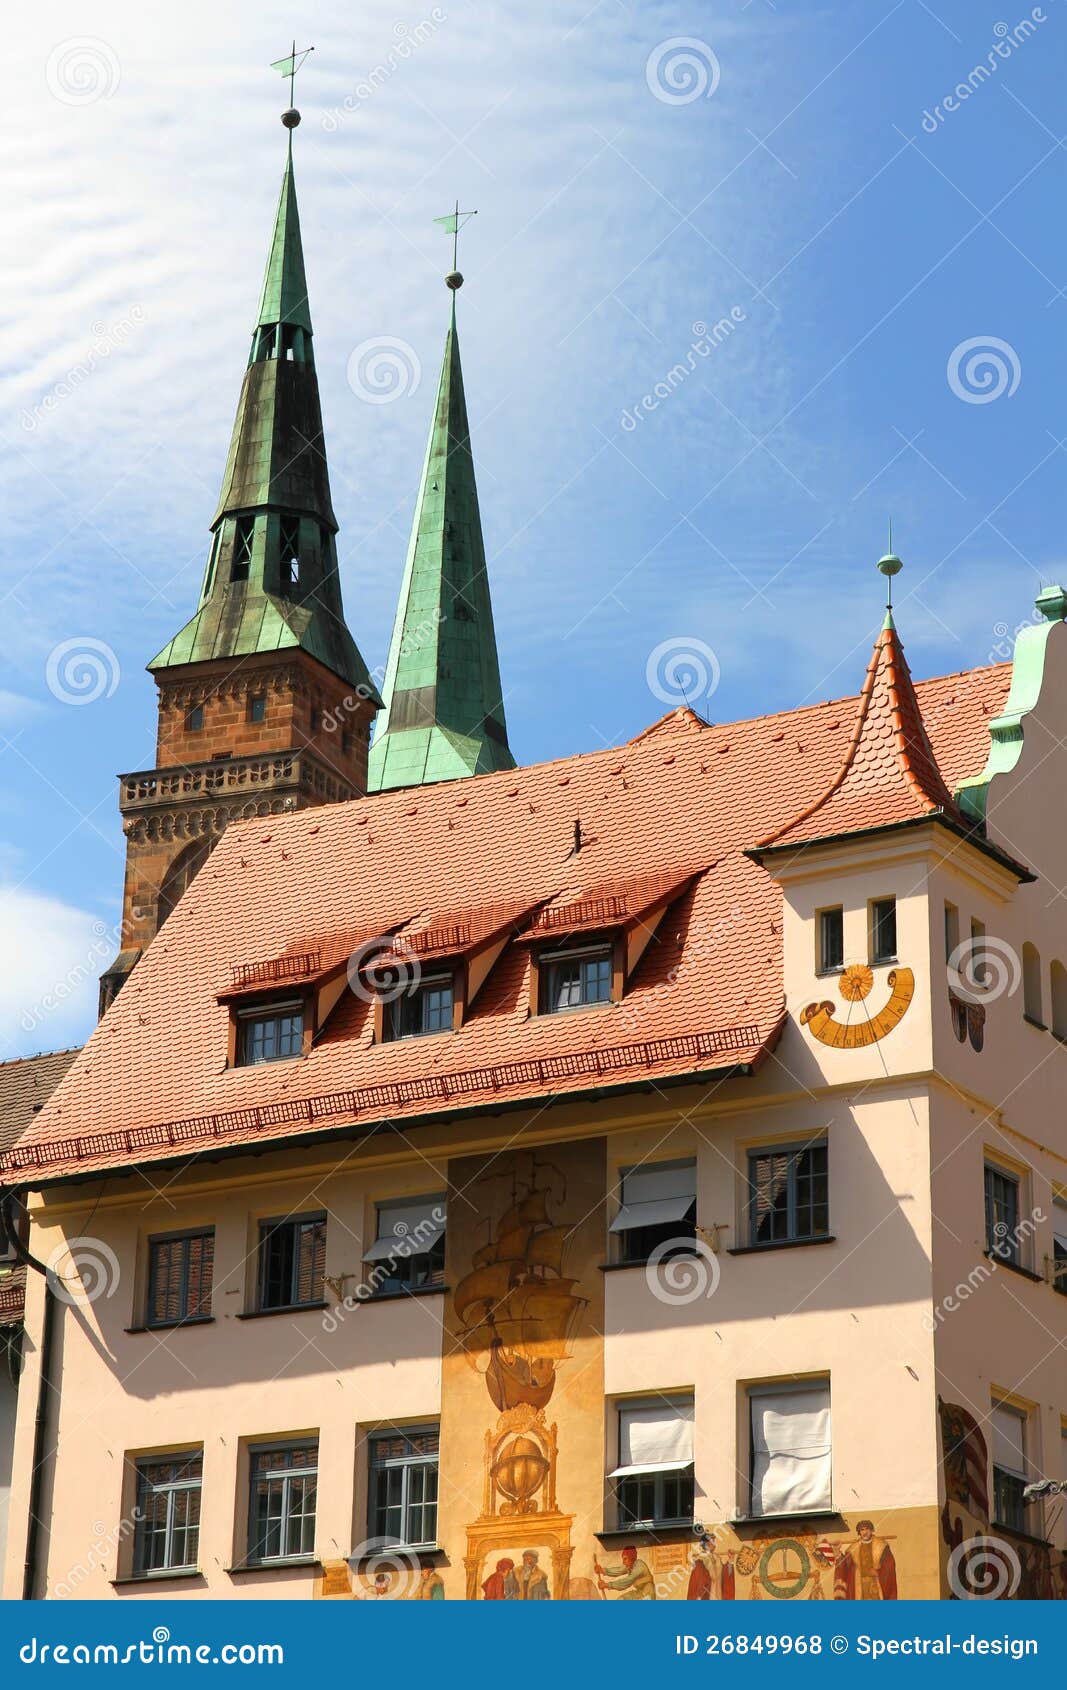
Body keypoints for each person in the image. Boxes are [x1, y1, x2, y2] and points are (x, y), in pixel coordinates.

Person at [833, 1521, 897, 1600]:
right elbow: (845, 1566)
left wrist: (879, 1572)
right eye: (862, 1530)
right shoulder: (853, 1549)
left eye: (867, 1529)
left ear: (871, 1530)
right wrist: (838, 1553)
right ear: (859, 1532)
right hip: (859, 1589)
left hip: (876, 1586)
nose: (865, 1532)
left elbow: (889, 1566)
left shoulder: (881, 1546)